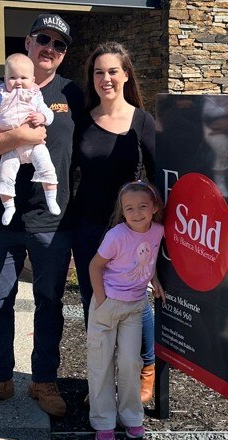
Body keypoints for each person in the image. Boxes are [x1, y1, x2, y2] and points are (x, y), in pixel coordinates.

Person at [0, 13, 83, 417]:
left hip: (53, 221)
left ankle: (44, 380)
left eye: (59, 44)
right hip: (1, 218)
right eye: (43, 39)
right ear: (28, 43)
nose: (49, 48)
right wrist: (22, 137)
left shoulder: (74, 95)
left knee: (49, 303)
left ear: (63, 54)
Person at [71, 42, 158, 403]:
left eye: (111, 71)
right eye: (98, 72)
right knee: (99, 306)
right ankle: (102, 383)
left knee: (138, 299)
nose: (105, 78)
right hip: (89, 227)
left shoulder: (142, 120)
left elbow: (157, 176)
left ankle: (146, 367)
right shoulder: (82, 121)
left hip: (132, 229)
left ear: (125, 75)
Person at [87, 181, 165, 440]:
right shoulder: (116, 236)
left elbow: (148, 259)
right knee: (101, 363)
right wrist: (101, 302)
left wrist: (155, 279)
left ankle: (132, 416)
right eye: (129, 208)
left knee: (131, 363)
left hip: (134, 307)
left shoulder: (158, 231)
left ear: (154, 207)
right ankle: (103, 421)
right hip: (107, 306)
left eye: (143, 206)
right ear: (122, 211)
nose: (136, 212)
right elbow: (94, 266)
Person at [0, 53, 60, 225]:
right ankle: (9, 206)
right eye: (12, 77)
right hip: (9, 148)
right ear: (5, 78)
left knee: (47, 167)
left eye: (23, 77)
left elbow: (48, 113)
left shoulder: (34, 95)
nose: (18, 82)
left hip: (35, 145)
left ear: (32, 79)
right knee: (5, 176)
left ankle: (51, 199)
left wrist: (42, 117)